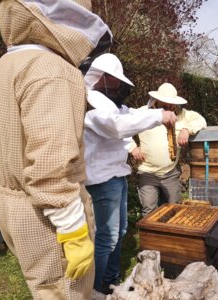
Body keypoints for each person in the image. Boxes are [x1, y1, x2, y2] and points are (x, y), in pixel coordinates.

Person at [0, 1, 112, 299]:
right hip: (46, 214)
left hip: (10, 203)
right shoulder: (53, 70)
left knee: (44, 290)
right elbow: (51, 163)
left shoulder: (4, 67)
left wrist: (6, 177)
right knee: (65, 293)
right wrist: (73, 230)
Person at [83, 53, 177, 295]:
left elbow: (129, 115)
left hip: (116, 175)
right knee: (107, 236)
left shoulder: (107, 102)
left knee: (120, 231)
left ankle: (111, 278)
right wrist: (158, 115)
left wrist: (155, 114)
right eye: (115, 80)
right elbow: (117, 127)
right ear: (101, 78)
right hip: (102, 179)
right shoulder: (91, 101)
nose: (119, 85)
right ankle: (96, 288)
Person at [130, 83, 207, 216]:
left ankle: (169, 236)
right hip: (147, 173)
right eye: (166, 102)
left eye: (172, 103)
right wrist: (132, 147)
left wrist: (186, 129)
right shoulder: (143, 113)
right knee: (149, 211)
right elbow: (120, 129)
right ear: (158, 100)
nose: (169, 106)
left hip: (171, 173)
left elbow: (201, 120)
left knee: (174, 209)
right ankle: (152, 236)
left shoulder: (182, 114)